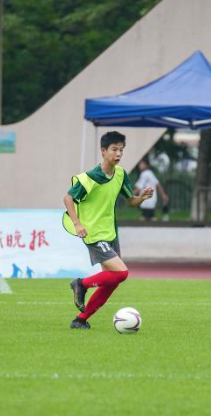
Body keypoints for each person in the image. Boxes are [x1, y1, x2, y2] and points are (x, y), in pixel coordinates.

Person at [63, 131, 153, 329]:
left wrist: (141, 198)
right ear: (103, 151)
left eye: (121, 150)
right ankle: (81, 284)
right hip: (94, 234)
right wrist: (77, 224)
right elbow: (68, 198)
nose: (118, 154)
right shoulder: (89, 178)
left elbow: (130, 201)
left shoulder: (120, 174)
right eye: (114, 149)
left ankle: (80, 320)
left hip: (111, 233)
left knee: (111, 281)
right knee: (122, 273)